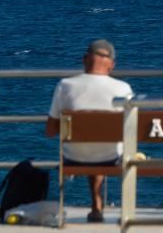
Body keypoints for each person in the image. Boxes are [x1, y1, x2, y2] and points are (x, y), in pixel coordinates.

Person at [45, 39, 133, 224]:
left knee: (88, 146)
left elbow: (50, 130)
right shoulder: (123, 88)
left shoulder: (65, 85)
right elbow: (130, 131)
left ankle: (96, 204)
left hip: (74, 157)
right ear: (112, 64)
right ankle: (99, 205)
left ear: (85, 59)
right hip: (111, 157)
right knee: (102, 145)